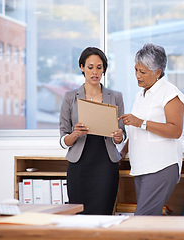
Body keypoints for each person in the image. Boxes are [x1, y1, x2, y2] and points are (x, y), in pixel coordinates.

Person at [119, 43, 184, 215]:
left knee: (141, 220)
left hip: (161, 166)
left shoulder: (170, 93)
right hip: (141, 167)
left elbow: (175, 130)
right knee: (148, 222)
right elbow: (137, 131)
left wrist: (140, 122)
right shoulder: (140, 95)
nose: (137, 76)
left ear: (157, 72)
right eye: (135, 70)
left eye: (142, 72)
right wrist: (121, 153)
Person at [59, 47, 125, 215]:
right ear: (82, 67)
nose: (95, 72)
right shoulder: (70, 97)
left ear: (104, 69)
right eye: (90, 67)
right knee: (79, 215)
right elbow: (63, 140)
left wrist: (119, 136)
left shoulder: (115, 96)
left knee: (103, 214)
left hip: (106, 164)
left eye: (99, 67)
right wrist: (75, 133)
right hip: (80, 165)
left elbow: (121, 135)